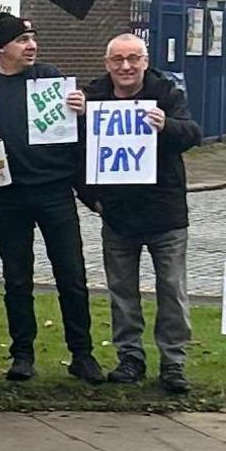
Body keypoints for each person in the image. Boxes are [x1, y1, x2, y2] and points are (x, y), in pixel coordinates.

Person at [0, 12, 104, 385]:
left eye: (33, 38)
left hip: (55, 190)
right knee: (17, 277)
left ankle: (82, 354)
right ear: (1, 48)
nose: (31, 46)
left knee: (71, 274)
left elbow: (80, 131)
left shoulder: (51, 79)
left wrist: (81, 110)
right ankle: (22, 353)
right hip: (9, 194)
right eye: (22, 40)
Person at [67, 33, 202, 394]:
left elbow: (193, 134)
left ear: (145, 60)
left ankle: (173, 363)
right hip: (118, 216)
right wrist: (91, 198)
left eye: (133, 59)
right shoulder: (92, 98)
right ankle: (130, 358)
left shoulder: (166, 93)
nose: (125, 67)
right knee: (122, 292)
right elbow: (75, 153)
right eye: (117, 60)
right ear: (107, 63)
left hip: (165, 214)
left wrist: (166, 126)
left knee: (172, 290)